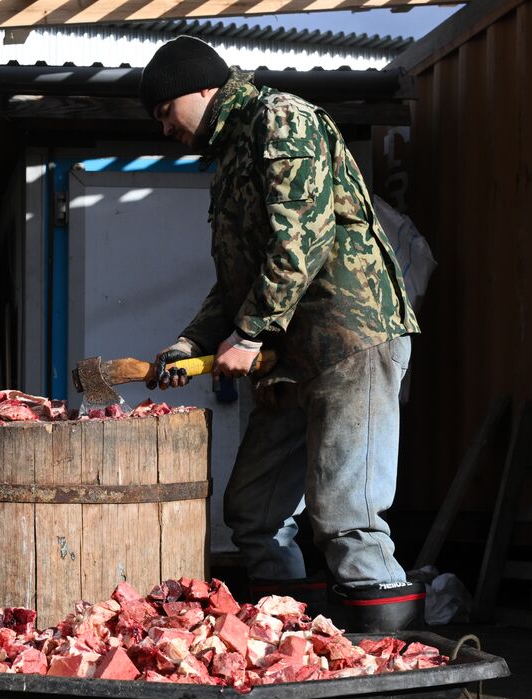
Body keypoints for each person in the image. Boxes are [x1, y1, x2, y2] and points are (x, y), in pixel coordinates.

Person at [138, 36, 424, 631]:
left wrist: (247, 334)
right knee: (254, 510)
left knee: (346, 509)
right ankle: (290, 637)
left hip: (350, 336)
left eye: (166, 112)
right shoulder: (229, 162)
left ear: (201, 88)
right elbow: (233, 282)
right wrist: (192, 341)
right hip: (288, 356)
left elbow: (302, 238)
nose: (164, 128)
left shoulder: (281, 119)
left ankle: (384, 652)